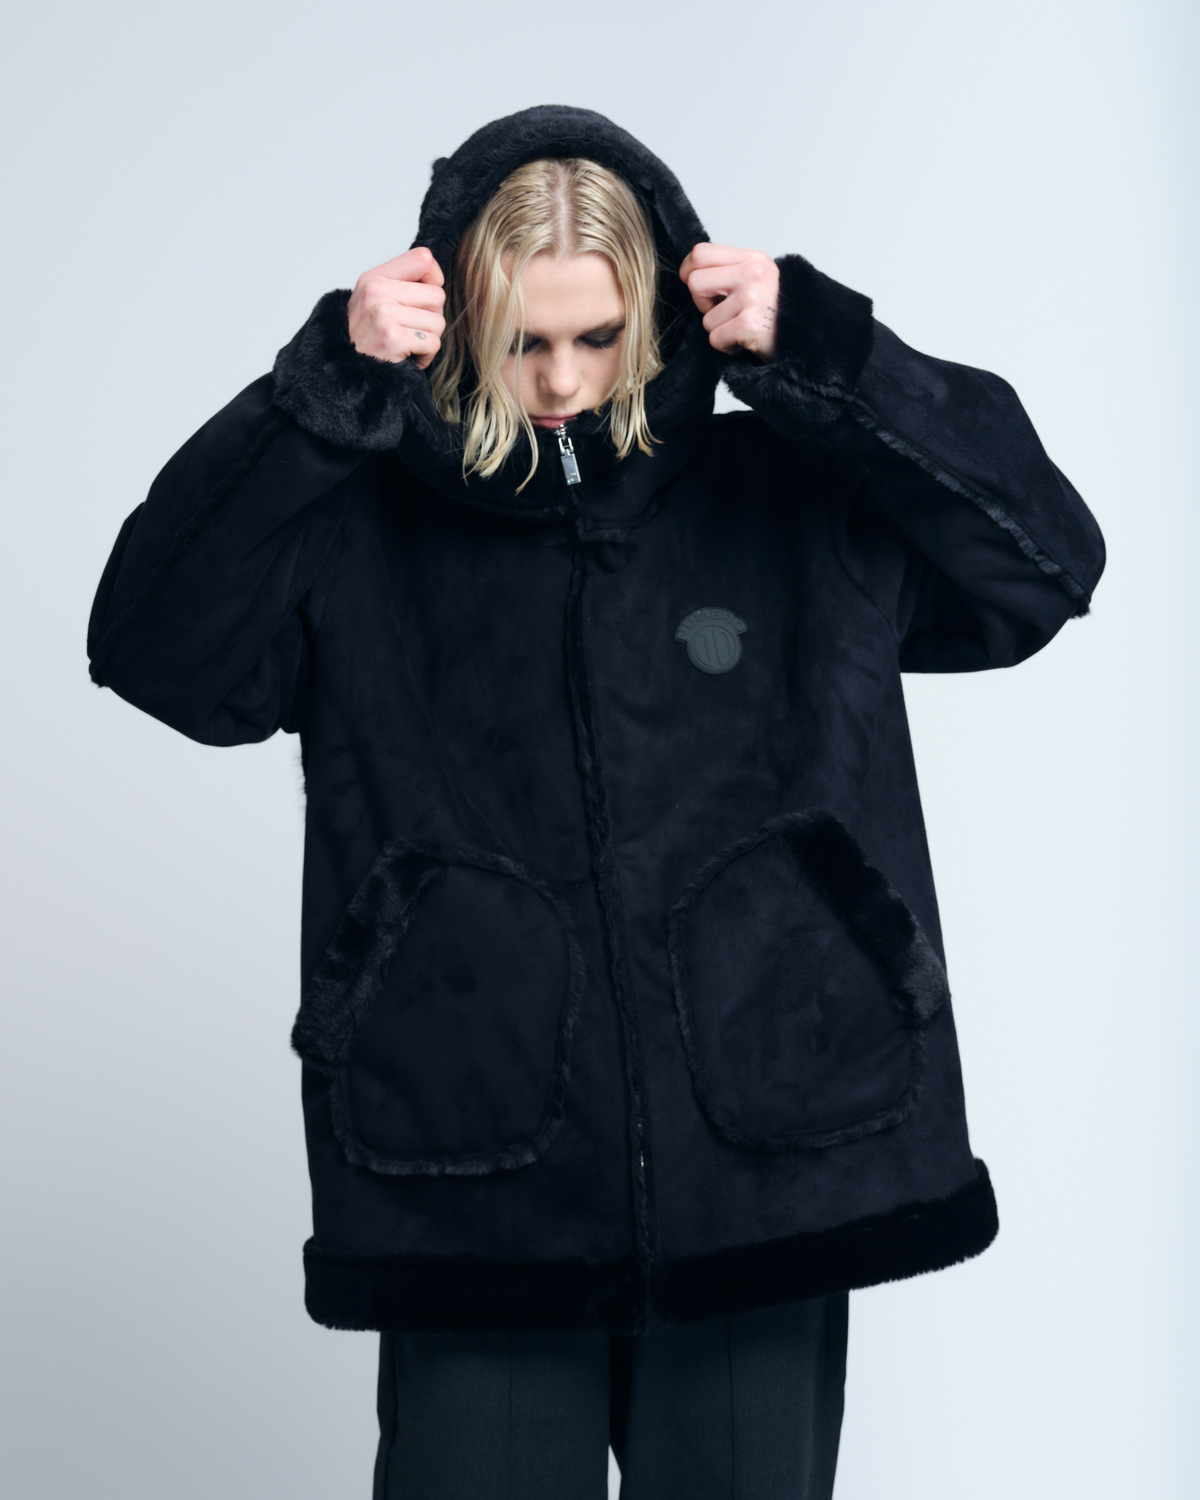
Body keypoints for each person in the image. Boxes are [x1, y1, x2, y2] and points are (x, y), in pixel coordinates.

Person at [87, 105, 1106, 1499]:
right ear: (459, 325)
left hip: (774, 1156)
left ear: (659, 320)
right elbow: (153, 652)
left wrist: (832, 353)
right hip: (475, 1167)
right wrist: (313, 395)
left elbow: (1045, 566)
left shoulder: (796, 495)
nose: (562, 380)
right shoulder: (360, 523)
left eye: (599, 336)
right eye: (524, 341)